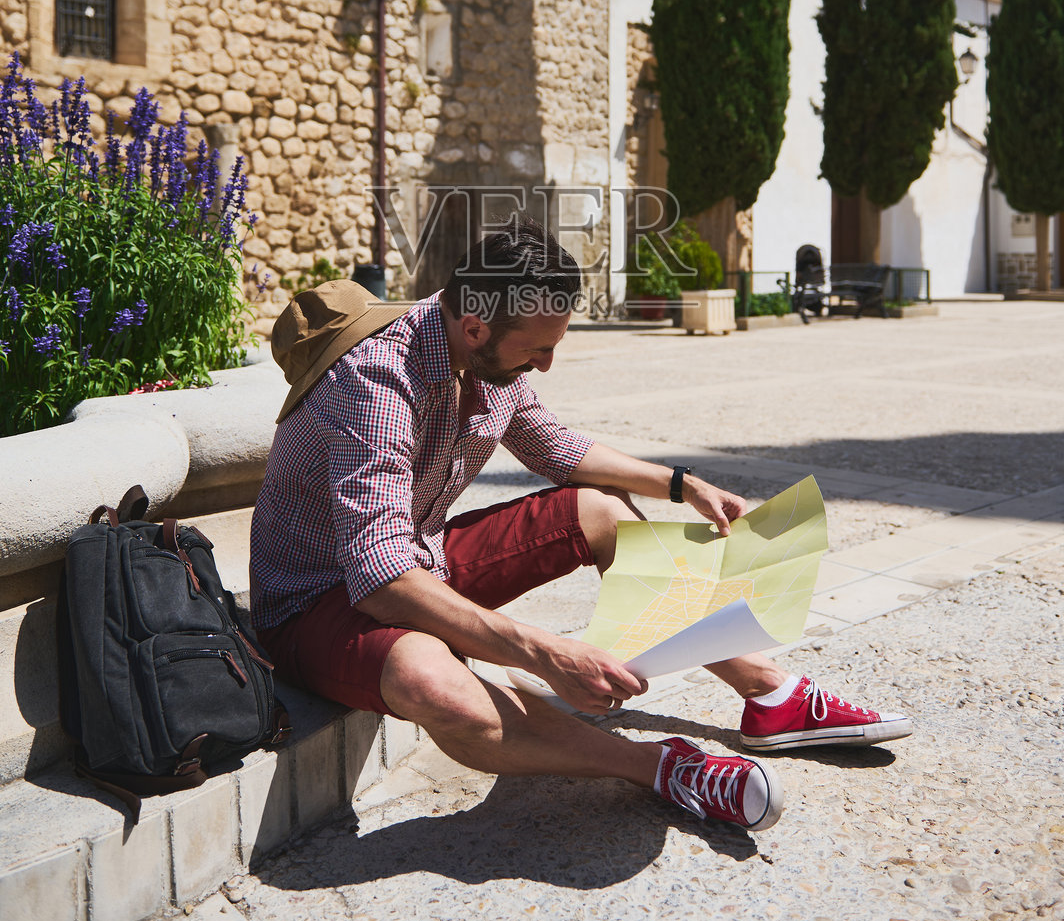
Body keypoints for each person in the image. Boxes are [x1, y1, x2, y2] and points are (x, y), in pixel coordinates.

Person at [250, 218, 911, 833]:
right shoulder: (377, 382)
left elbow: (556, 450)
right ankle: (659, 767)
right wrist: (545, 652)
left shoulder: (483, 352)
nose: (545, 365)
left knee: (599, 507)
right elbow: (380, 579)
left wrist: (681, 484)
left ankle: (768, 695)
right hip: (317, 603)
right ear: (476, 328)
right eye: (537, 351)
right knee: (432, 682)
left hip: (417, 561)